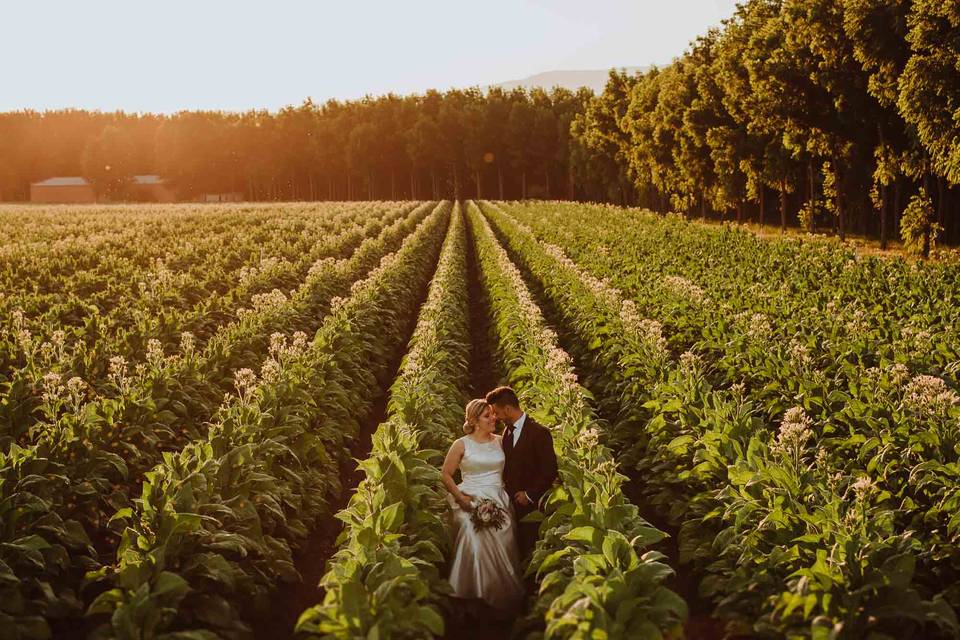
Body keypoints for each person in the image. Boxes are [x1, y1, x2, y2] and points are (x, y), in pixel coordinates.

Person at [441, 398, 525, 614]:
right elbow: (446, 474)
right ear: (475, 420)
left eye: (493, 414)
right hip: (469, 495)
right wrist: (460, 498)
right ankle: (472, 593)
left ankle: (499, 593)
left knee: (502, 530)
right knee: (471, 531)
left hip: (497, 494)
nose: (493, 418)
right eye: (487, 416)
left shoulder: (501, 440)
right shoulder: (461, 444)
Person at [485, 386, 559, 561]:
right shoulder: (507, 431)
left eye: (496, 412)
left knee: (532, 547)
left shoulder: (539, 433)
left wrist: (529, 494)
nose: (495, 417)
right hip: (512, 504)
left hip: (533, 505)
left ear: (508, 409)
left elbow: (549, 470)